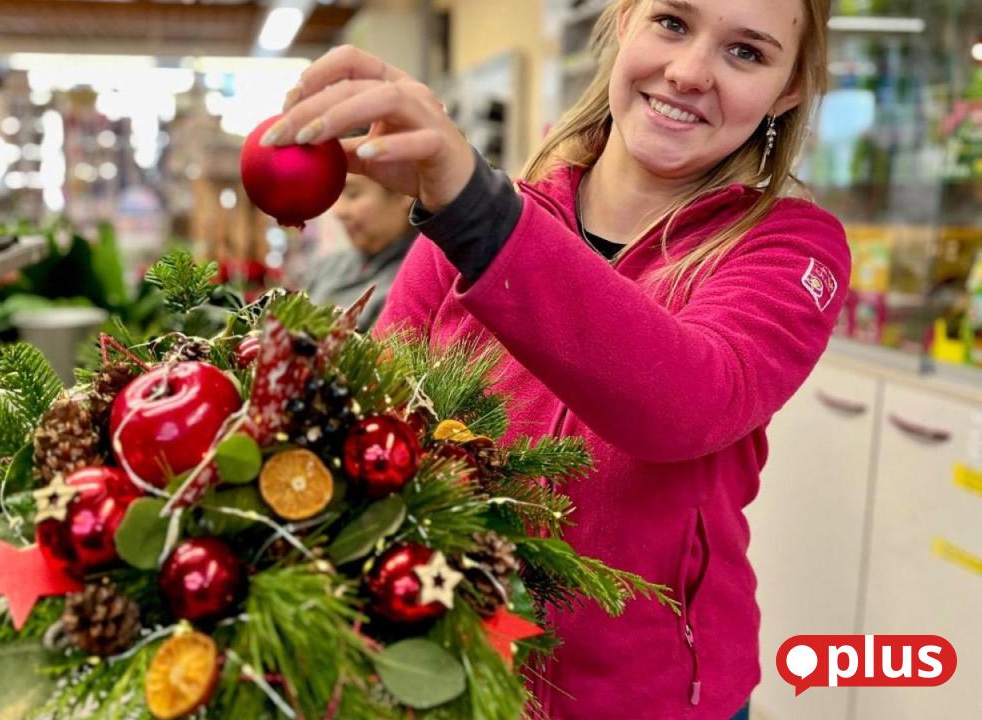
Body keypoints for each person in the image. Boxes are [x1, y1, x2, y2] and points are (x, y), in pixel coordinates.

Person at [267, 0, 844, 718]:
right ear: (625, 18)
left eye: (747, 52)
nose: (690, 72)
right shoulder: (472, 233)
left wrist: (479, 214)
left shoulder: (787, 247)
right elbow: (374, 437)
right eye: (672, 21)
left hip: (658, 703)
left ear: (789, 90)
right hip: (463, 679)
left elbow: (689, 401)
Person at [300, 173, 417, 331]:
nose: (338, 210)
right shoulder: (327, 267)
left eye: (352, 194)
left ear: (403, 191)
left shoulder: (420, 284)